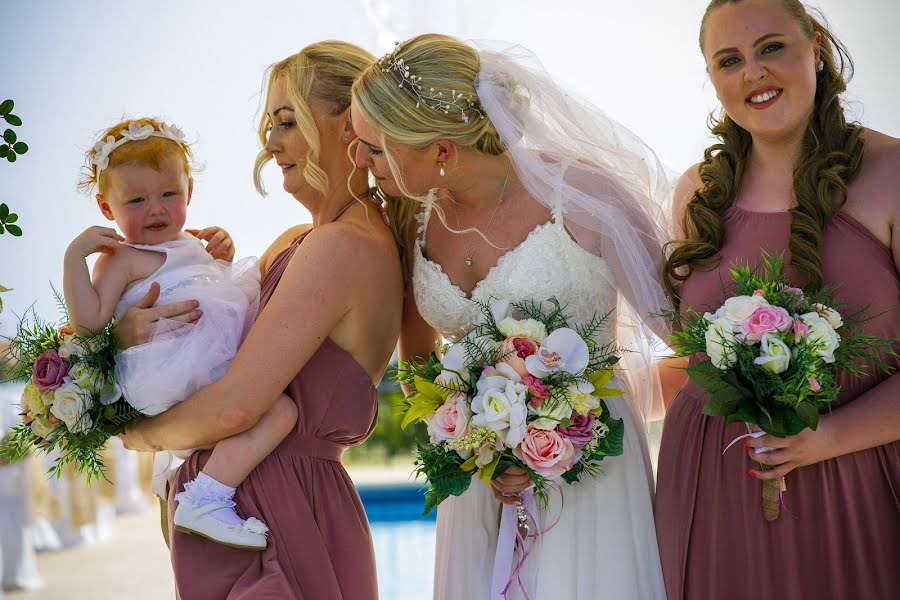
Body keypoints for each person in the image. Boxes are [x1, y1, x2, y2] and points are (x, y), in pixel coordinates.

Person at [352, 34, 671, 600]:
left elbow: (680, 326)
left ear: (442, 151)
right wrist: (472, 444)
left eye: (376, 148)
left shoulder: (583, 196)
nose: (362, 161)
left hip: (588, 457)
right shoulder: (413, 222)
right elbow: (420, 364)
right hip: (478, 478)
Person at [121, 41, 403, 599]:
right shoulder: (297, 243)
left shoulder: (341, 247)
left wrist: (131, 432)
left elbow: (235, 405)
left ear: (350, 125)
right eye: (269, 125)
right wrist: (126, 334)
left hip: (280, 519)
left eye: (287, 121)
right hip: (245, 512)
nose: (270, 144)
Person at [656, 2, 900, 598]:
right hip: (711, 491)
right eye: (730, 60)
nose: (753, 74)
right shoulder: (696, 192)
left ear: (815, 46)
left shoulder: (892, 173)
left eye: (771, 48)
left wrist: (829, 437)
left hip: (856, 485)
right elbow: (681, 354)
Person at [66, 117, 296, 551]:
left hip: (209, 357)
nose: (156, 208)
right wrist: (74, 259)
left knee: (275, 410)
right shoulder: (120, 259)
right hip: (171, 367)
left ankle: (197, 493)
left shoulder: (192, 242)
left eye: (169, 194)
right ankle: (207, 496)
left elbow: (210, 293)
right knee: (280, 412)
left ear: (189, 191)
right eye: (136, 199)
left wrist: (222, 259)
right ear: (105, 207)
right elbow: (88, 326)